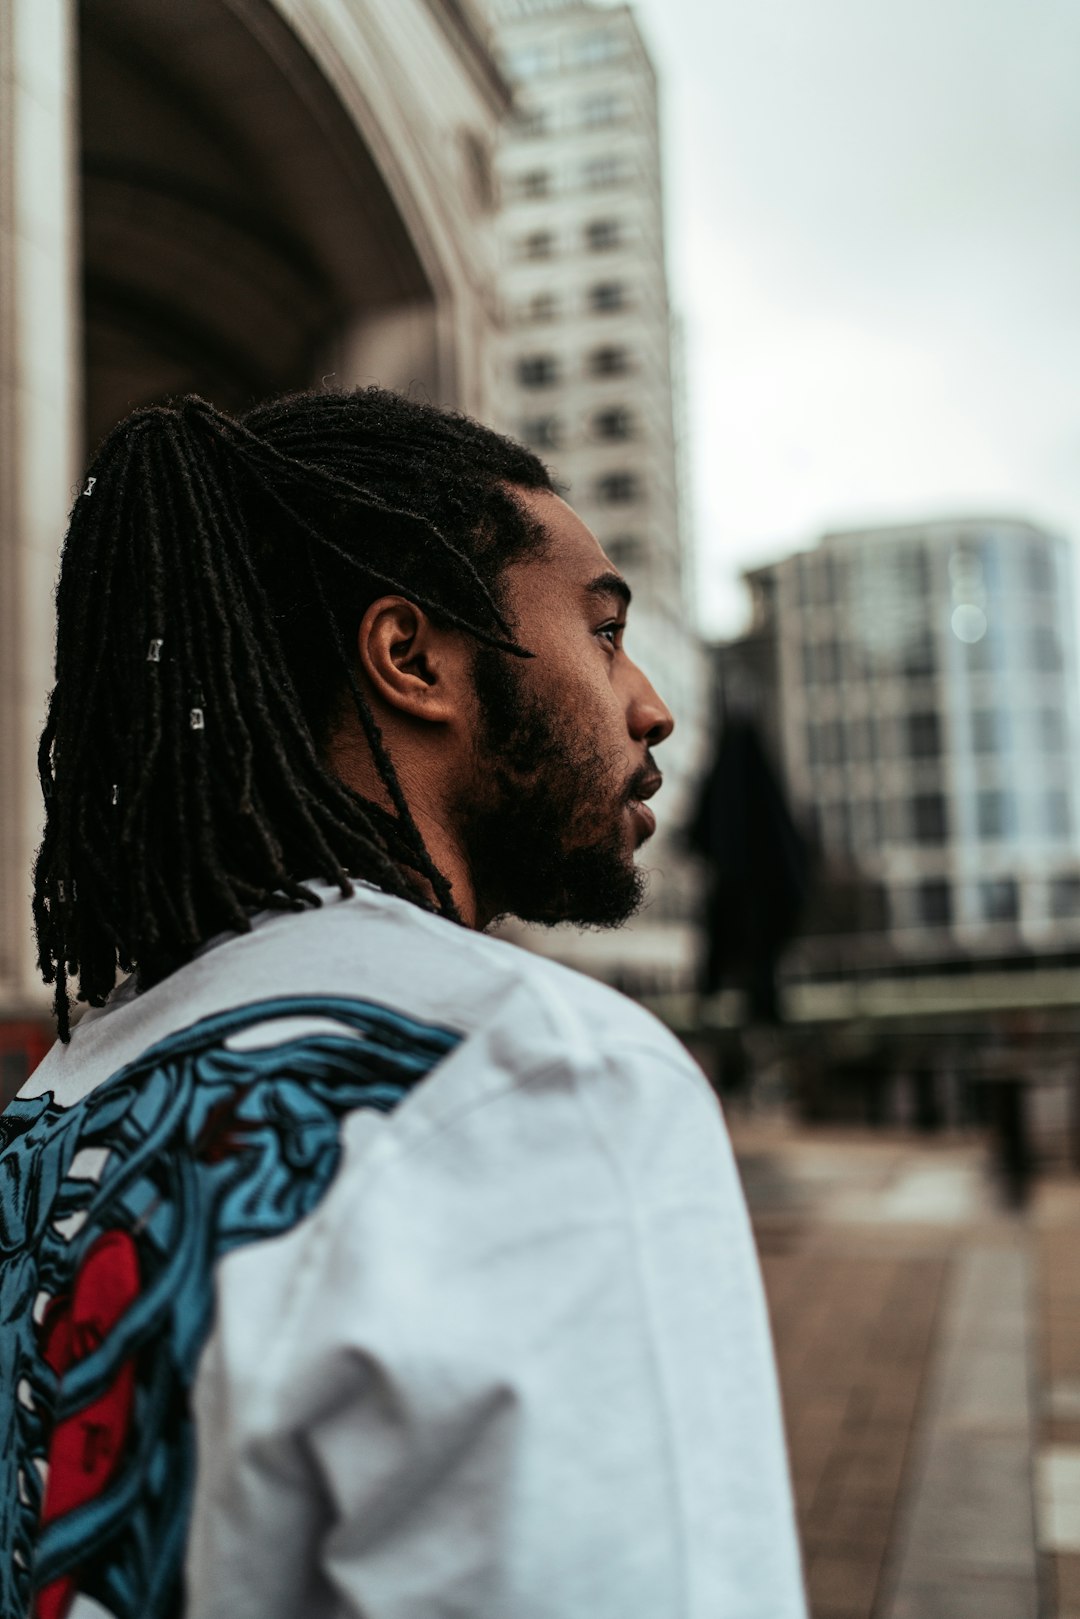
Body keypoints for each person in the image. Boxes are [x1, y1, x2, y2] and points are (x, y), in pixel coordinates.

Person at [1, 388, 806, 1619]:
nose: (650, 703)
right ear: (413, 658)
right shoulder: (538, 1076)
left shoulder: (61, 1097)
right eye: (602, 632)